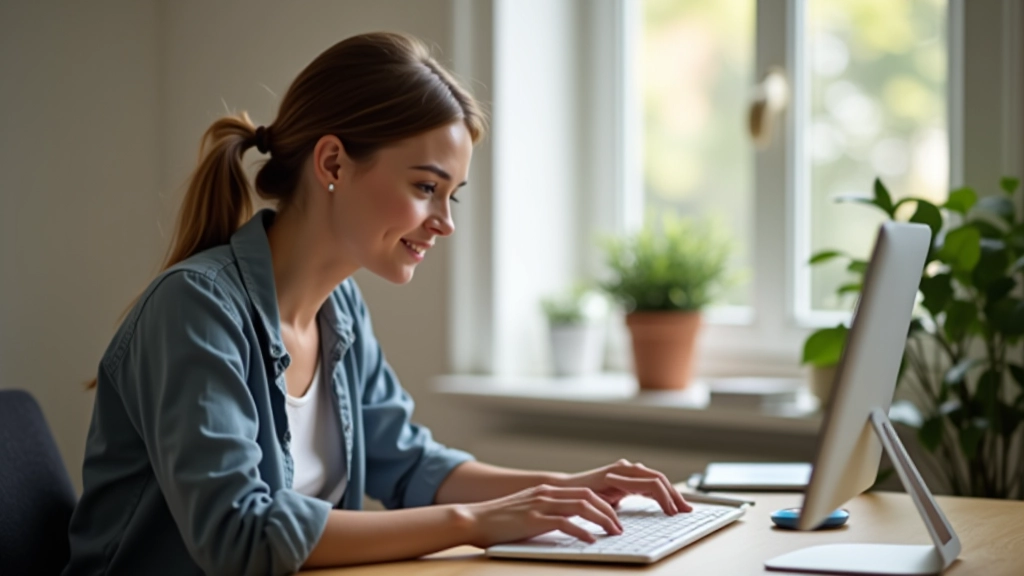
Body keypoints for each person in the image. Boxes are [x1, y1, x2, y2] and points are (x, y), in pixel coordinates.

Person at [63, 31, 691, 575]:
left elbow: (408, 464)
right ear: (333, 162)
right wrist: (474, 521)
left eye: (454, 196)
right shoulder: (195, 309)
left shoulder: (342, 309)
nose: (444, 222)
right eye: (425, 187)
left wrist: (561, 488)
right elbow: (239, 535)